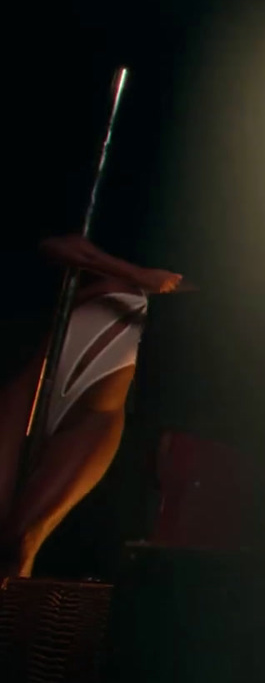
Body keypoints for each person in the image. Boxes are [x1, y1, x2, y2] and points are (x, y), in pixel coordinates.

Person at [0, 234, 184, 580]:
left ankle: (13, 629)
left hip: (95, 412)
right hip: (33, 383)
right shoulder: (121, 267)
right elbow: (54, 246)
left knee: (20, 540)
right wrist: (136, 274)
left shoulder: (175, 295)